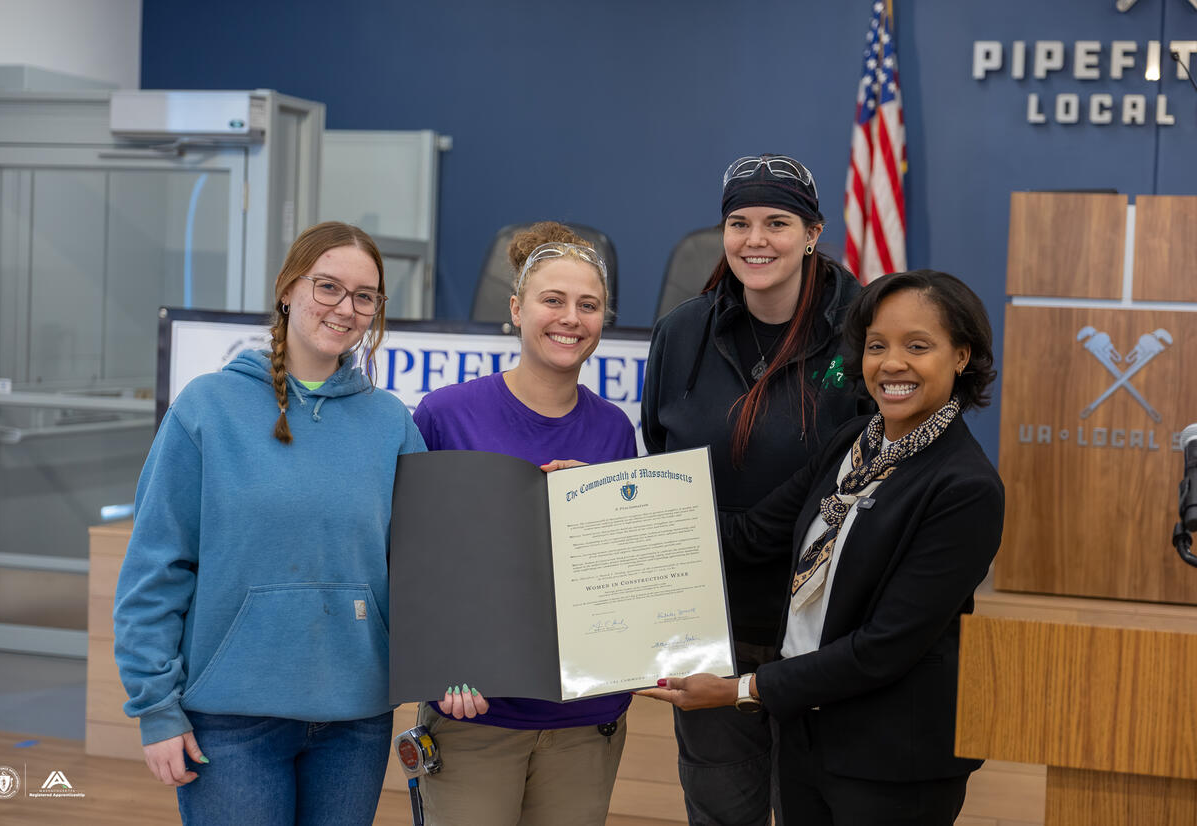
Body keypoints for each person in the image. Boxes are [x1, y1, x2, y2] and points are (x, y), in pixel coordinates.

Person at [640, 270, 1005, 826]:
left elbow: (881, 649)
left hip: (890, 757)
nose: (892, 363)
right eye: (877, 345)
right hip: (807, 734)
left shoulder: (965, 488)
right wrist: (610, 514)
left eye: (918, 346)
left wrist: (741, 689)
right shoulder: (851, 445)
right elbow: (748, 536)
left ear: (961, 356)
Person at [113, 221, 425, 825]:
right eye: (328, 286)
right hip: (229, 723)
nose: (346, 308)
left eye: (366, 296)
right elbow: (157, 567)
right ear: (287, 289)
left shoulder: (391, 424)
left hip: (355, 721)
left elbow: (423, 567)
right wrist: (155, 707)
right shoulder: (206, 408)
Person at [641, 153, 863, 824]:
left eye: (778, 221)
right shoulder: (682, 332)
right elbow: (661, 449)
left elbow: (860, 465)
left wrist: (740, 532)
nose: (756, 239)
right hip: (710, 624)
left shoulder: (863, 331)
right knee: (720, 810)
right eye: (739, 222)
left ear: (814, 232)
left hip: (823, 625)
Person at [411, 221, 636, 826]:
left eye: (588, 305)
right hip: (473, 715)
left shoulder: (615, 429)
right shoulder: (444, 415)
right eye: (552, 300)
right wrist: (442, 662)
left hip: (586, 718)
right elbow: (410, 556)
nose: (570, 318)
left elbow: (621, 570)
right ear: (515, 309)